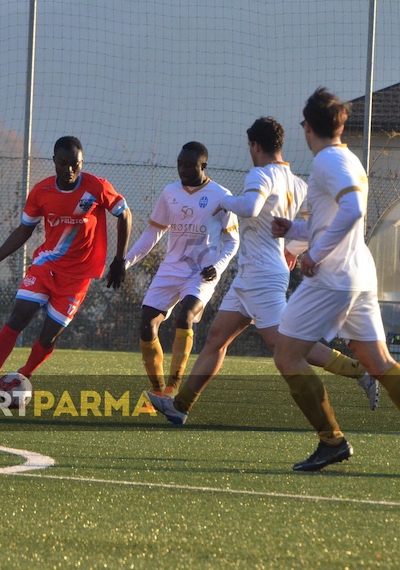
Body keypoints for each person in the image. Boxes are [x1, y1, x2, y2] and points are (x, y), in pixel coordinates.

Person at [269, 88, 400, 477]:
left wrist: (313, 256)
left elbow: (352, 211)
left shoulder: (326, 162)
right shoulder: (348, 158)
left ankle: (332, 442)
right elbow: (335, 217)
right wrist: (297, 228)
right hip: (359, 274)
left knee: (287, 355)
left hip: (332, 277)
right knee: (378, 361)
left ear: (307, 127)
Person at [148, 117, 378, 426]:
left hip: (262, 277)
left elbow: (252, 207)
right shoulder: (297, 183)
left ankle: (359, 371)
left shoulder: (260, 173)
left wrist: (224, 201)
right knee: (216, 339)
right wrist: (291, 251)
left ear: (255, 146)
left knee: (287, 346)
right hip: (253, 273)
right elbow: (311, 227)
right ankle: (180, 406)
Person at [0, 136, 131, 407]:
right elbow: (24, 230)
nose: (70, 170)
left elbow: (124, 214)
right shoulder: (41, 192)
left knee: (48, 337)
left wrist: (120, 260)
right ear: (54, 162)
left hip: (77, 278)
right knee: (18, 317)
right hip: (46, 266)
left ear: (81, 162)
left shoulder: (97, 187)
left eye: (75, 164)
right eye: (63, 164)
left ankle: (21, 377)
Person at [124, 142, 239, 397]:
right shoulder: (170, 193)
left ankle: (172, 387)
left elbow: (233, 241)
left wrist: (217, 267)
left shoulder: (222, 196)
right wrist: (126, 262)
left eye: (189, 165)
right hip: (171, 268)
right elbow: (153, 232)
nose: (182, 170)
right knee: (146, 325)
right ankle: (157, 391)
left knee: (184, 316)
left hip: (201, 272)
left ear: (203, 166)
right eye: (180, 164)